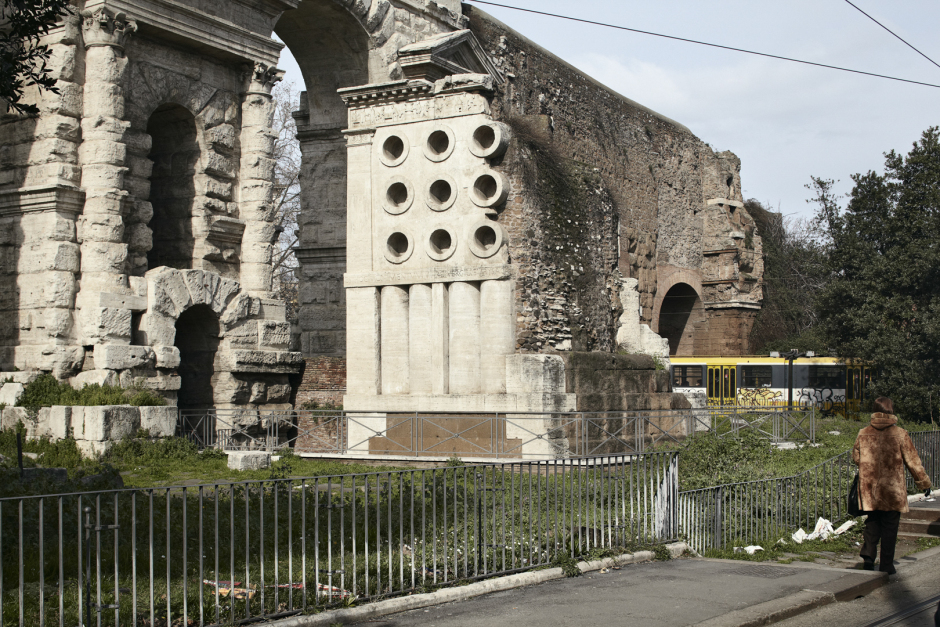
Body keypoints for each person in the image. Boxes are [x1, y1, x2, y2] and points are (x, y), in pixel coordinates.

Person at [853, 396, 932, 574]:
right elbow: (912, 461)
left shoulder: (863, 433)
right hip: (892, 490)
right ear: (891, 411)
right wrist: (923, 483)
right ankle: (886, 565)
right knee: (890, 527)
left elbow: (856, 458)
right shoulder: (900, 433)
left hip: (870, 489)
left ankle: (868, 557)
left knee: (872, 523)